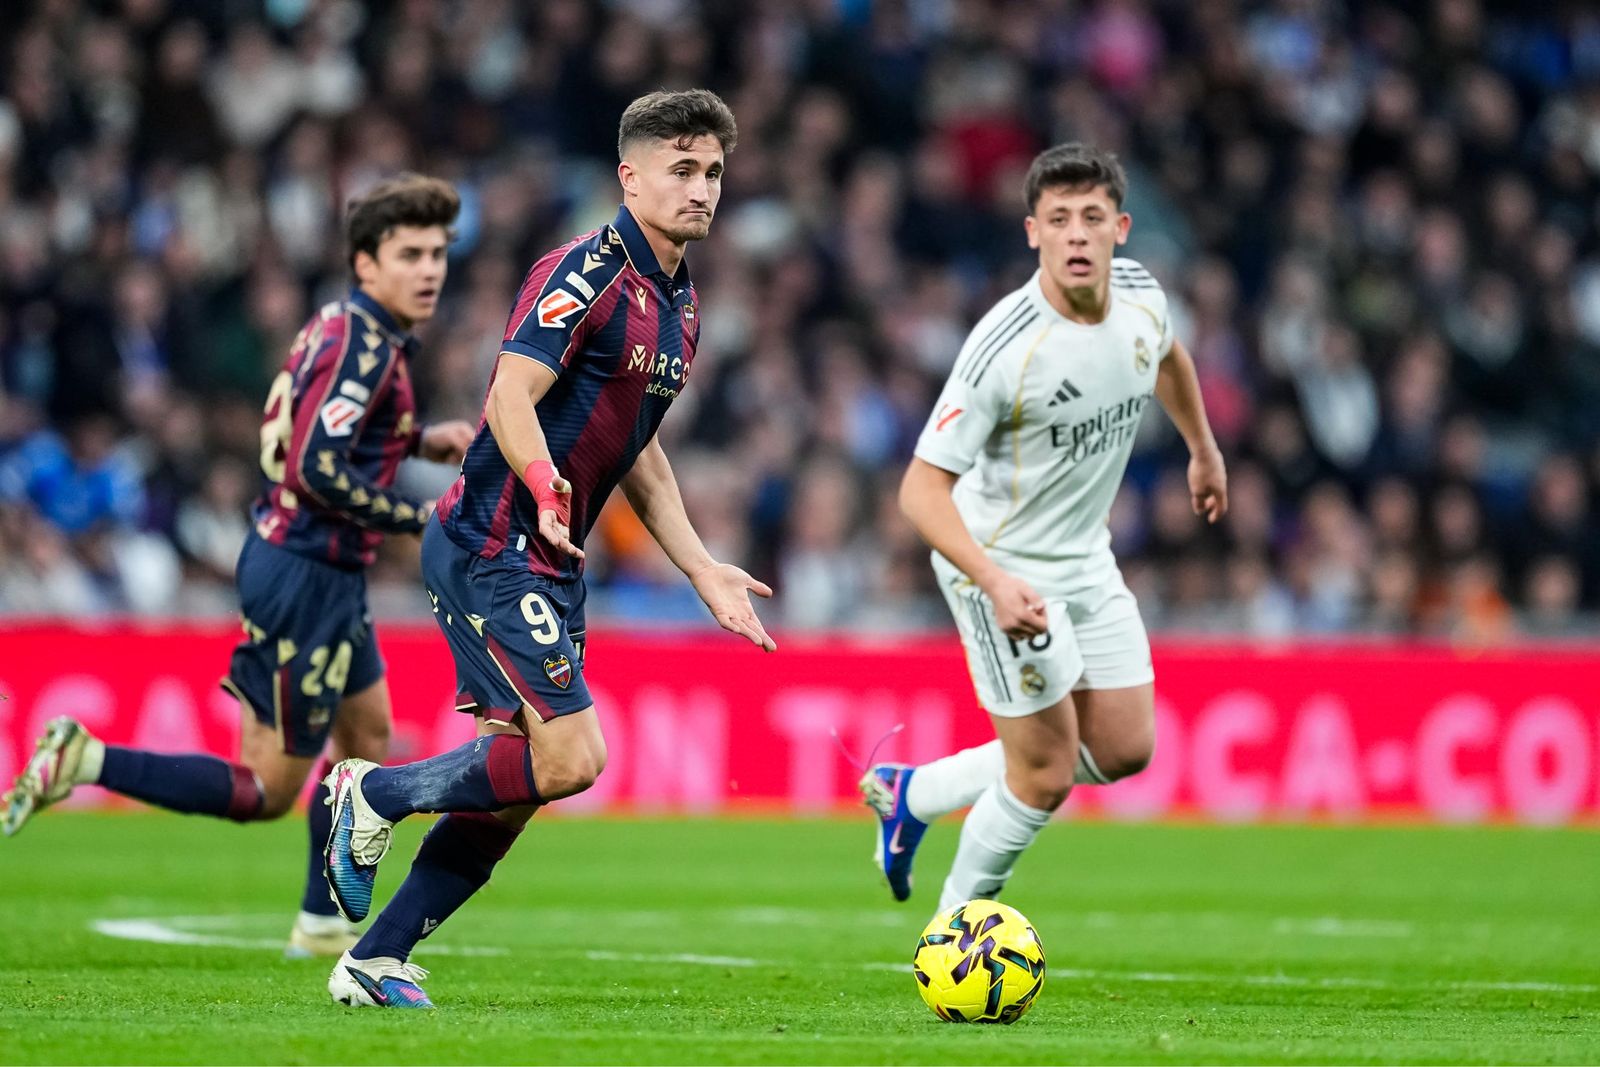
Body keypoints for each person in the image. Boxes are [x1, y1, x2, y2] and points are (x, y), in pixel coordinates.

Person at [317, 89, 775, 1010]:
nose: (701, 189)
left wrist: (701, 568)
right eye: (681, 170)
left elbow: (637, 448)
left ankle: (375, 959)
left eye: (713, 172)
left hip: (550, 562)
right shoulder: (585, 272)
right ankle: (374, 794)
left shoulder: (679, 303)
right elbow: (511, 394)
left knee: (515, 788)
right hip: (492, 541)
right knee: (571, 757)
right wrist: (536, 476)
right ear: (630, 177)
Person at [2, 175, 477, 959]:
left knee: (366, 733)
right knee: (266, 789)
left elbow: (327, 428)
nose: (429, 270)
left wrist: (421, 439)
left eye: (437, 254)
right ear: (366, 264)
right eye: (410, 254)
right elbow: (315, 466)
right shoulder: (364, 346)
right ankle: (82, 757)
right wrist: (418, 517)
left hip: (315, 569)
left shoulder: (346, 327)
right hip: (307, 574)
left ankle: (323, 921)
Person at [861, 144, 1227, 911]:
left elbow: (1167, 356)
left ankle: (914, 790)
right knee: (1045, 773)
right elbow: (921, 491)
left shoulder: (1141, 294)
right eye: (1058, 220)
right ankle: (956, 924)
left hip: (1085, 555)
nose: (1077, 236)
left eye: (1092, 218)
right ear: (1033, 233)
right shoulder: (1005, 349)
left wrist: (1203, 448)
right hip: (998, 564)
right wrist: (993, 582)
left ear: (1121, 228)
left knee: (1125, 747)